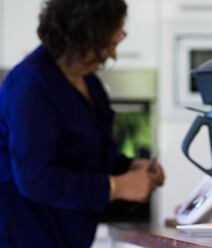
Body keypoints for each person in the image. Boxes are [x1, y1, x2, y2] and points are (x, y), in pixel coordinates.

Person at [0, 0, 165, 247]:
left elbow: (89, 155)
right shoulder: (30, 86)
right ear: (82, 37)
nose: (113, 54)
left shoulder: (90, 83)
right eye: (108, 44)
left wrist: (129, 166)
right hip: (28, 234)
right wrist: (117, 186)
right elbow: (35, 177)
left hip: (69, 235)